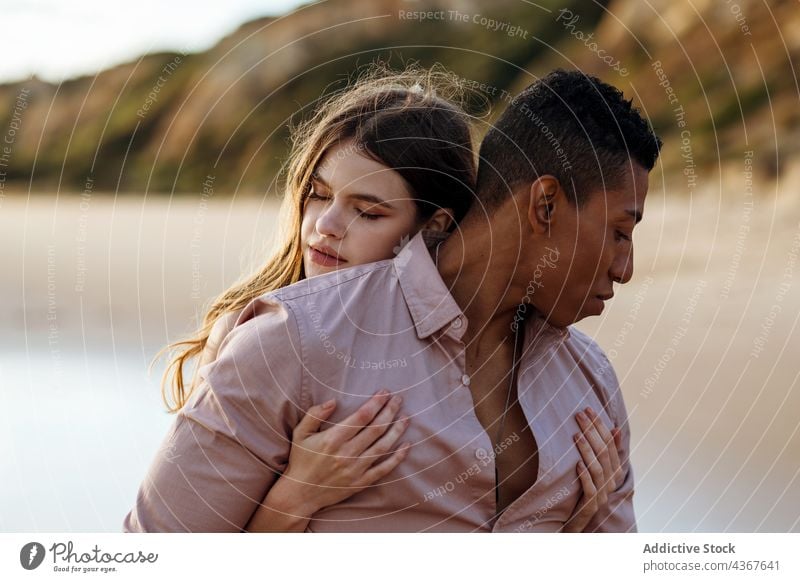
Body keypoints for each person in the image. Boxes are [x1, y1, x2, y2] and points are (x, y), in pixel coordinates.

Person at [125, 68, 651, 533]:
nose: (625, 269)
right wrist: (288, 506)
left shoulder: (592, 387)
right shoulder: (290, 340)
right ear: (546, 204)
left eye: (368, 210)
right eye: (620, 232)